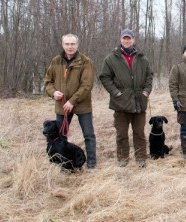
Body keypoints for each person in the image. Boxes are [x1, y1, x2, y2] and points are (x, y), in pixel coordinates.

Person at [99, 29, 153, 168]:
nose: (127, 41)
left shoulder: (142, 58)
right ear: (120, 39)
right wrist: (116, 93)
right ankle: (123, 159)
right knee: (122, 134)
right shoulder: (111, 58)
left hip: (139, 102)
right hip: (121, 103)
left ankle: (141, 158)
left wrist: (146, 91)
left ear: (133, 40)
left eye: (129, 38)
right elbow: (105, 77)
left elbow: (149, 76)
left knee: (139, 133)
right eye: (124, 38)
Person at [44, 33, 97, 169]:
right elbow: (48, 82)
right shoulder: (56, 61)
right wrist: (53, 93)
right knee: (60, 137)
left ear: (77, 45)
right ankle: (63, 164)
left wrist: (72, 101)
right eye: (67, 44)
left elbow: (87, 85)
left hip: (82, 106)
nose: (70, 47)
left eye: (73, 44)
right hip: (62, 106)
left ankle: (91, 164)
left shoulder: (85, 62)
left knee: (89, 135)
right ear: (62, 45)